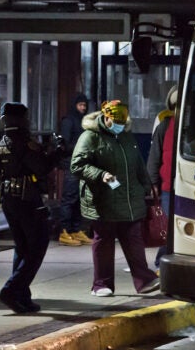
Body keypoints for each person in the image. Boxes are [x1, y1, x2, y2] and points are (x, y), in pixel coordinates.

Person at [70, 99, 161, 297]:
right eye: (115, 121)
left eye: (123, 121)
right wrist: (100, 174)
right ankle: (101, 284)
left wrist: (146, 187)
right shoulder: (90, 136)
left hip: (130, 199)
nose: (119, 125)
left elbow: (138, 164)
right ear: (106, 117)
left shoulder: (127, 137)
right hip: (103, 200)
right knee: (104, 241)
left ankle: (144, 280)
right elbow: (77, 165)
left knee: (134, 240)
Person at [0, 102, 67, 313]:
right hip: (26, 199)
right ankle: (11, 289)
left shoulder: (2, 142)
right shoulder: (23, 142)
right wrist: (57, 153)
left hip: (9, 199)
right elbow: (41, 167)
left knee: (22, 247)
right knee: (37, 246)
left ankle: (21, 296)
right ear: (20, 119)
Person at [147, 86, 178, 270]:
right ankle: (161, 262)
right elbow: (155, 156)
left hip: (186, 187)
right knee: (167, 227)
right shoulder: (164, 126)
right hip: (168, 187)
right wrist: (153, 183)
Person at [56, 93, 91, 246]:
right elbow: (65, 143)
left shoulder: (83, 121)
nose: (83, 108)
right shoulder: (69, 121)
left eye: (84, 105)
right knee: (70, 197)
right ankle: (65, 230)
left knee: (79, 197)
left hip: (82, 163)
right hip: (72, 163)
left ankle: (76, 229)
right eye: (80, 105)